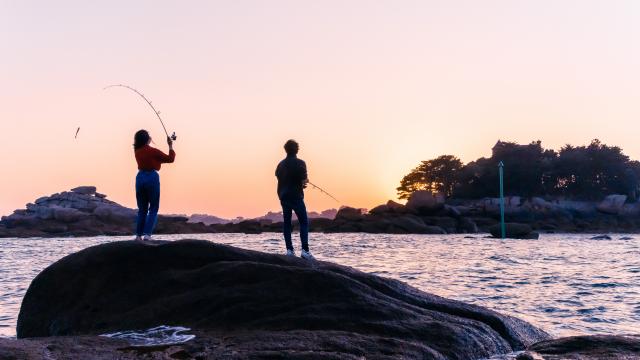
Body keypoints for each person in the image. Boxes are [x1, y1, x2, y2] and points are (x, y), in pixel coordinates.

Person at [133, 130, 176, 241]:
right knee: (153, 208)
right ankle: (147, 235)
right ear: (147, 139)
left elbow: (151, 159)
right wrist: (170, 145)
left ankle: (138, 236)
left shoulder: (136, 151)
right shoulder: (153, 151)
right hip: (152, 177)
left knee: (142, 209)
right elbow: (170, 159)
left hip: (140, 178)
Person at [276, 139, 314, 260]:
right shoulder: (301, 163)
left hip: (283, 196)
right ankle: (305, 251)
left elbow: (279, 177)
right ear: (296, 149)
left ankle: (289, 250)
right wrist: (305, 182)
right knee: (303, 222)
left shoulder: (280, 164)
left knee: (287, 223)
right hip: (296, 196)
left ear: (286, 150)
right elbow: (303, 180)